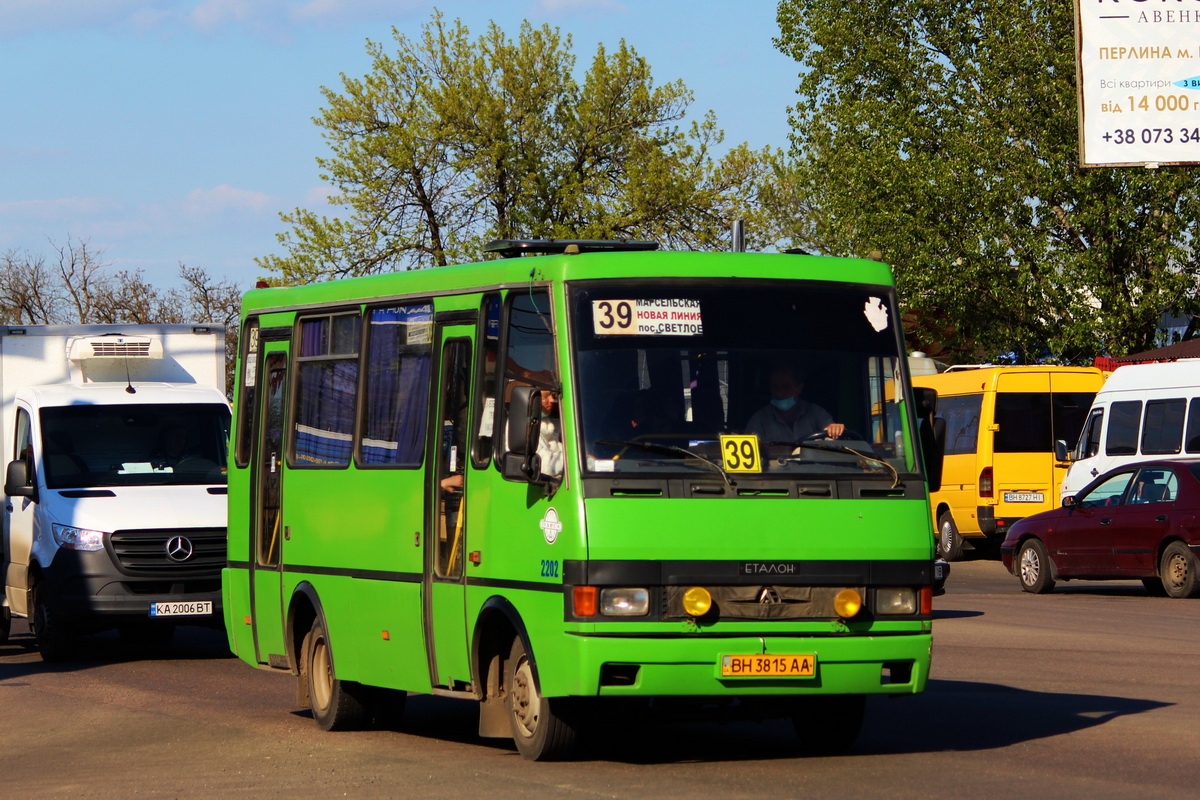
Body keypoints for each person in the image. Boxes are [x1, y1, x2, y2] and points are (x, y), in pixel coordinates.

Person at [744, 365, 845, 443]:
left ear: (799, 388)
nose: (779, 393)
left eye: (785, 387)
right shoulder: (759, 419)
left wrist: (835, 430)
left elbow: (832, 436)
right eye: (775, 387)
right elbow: (749, 453)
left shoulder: (816, 413)